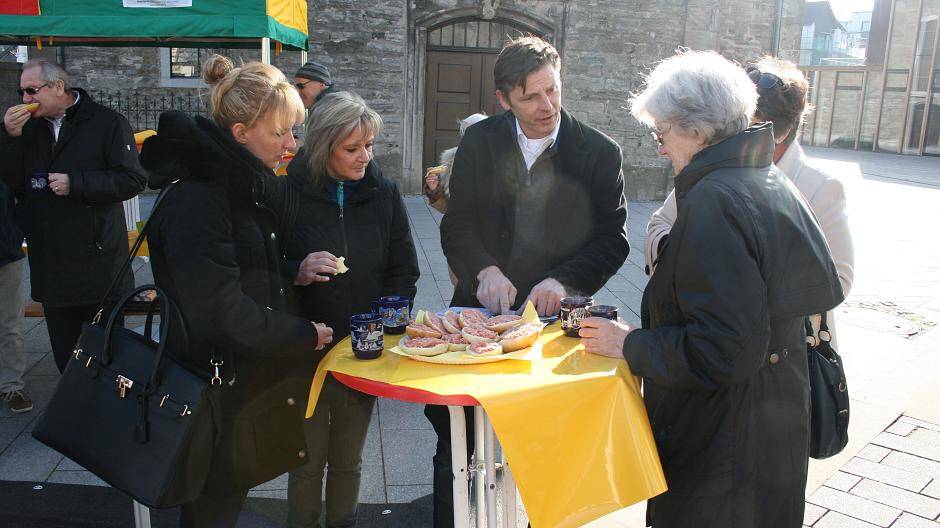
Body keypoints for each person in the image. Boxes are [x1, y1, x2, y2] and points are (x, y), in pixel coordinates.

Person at [579, 49, 844, 527]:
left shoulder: (715, 199)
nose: (660, 147)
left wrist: (630, 344)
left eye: (662, 133)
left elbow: (722, 350)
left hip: (722, 458)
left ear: (696, 130)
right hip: (768, 434)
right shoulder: (761, 177)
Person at [432, 36, 629, 528]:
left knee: (546, 444)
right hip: (481, 315)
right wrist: (484, 269)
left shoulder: (600, 153)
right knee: (458, 438)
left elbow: (613, 239)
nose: (547, 106)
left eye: (553, 91)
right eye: (530, 97)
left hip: (556, 322)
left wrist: (565, 280)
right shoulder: (480, 142)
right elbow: (458, 224)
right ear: (502, 99)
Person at [139, 55, 334, 528]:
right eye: (281, 133)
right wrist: (301, 333)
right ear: (241, 132)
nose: (292, 145)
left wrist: (290, 272)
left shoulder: (235, 184)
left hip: (233, 378)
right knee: (211, 505)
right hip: (210, 383)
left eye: (294, 131)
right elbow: (218, 310)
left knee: (222, 498)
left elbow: (236, 268)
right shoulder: (202, 197)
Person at [645, 55, 854, 346]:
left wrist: (737, 285)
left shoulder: (818, 186)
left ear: (778, 132)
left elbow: (837, 279)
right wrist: (684, 265)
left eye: (747, 125)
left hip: (788, 348)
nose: (734, 134)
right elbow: (661, 223)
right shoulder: (710, 176)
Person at [282, 91, 420, 528]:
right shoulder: (287, 192)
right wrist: (297, 271)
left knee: (348, 458)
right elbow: (263, 267)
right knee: (305, 460)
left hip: (362, 348)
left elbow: (404, 269)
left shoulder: (383, 193)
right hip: (304, 347)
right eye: (352, 148)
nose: (365, 157)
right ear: (325, 148)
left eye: (369, 146)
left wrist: (385, 322)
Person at [0, 59, 146, 373]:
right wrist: (9, 137)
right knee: (66, 358)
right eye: (21, 92)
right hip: (51, 264)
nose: (24, 99)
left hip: (98, 262)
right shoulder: (28, 129)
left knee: (106, 357)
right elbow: (13, 181)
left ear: (57, 87)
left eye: (31, 90)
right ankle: (71, 415)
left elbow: (132, 179)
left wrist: (77, 183)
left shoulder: (106, 123)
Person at [0, 177, 29, 413]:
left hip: (6, 251)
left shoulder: (6, 156)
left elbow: (24, 194)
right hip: (8, 245)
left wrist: (14, 233)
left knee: (11, 323)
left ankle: (11, 385)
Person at [422, 112, 488, 214]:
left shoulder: (501, 161)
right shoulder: (452, 160)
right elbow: (446, 208)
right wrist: (434, 189)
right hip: (460, 226)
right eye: (468, 132)